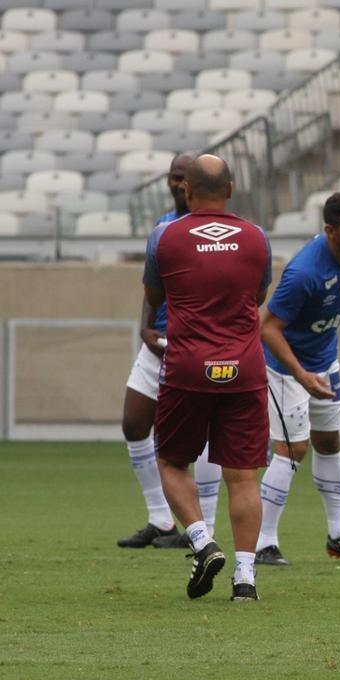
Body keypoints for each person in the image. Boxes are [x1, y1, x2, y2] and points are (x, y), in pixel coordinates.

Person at [143, 154, 273, 600]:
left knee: (171, 461)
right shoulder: (258, 238)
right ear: (232, 190)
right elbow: (258, 295)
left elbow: (155, 294)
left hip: (188, 368)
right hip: (244, 368)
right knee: (243, 477)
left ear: (186, 190)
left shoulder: (165, 237)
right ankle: (245, 580)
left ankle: (202, 540)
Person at [254, 191, 340, 566]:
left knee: (329, 442)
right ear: (329, 231)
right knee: (293, 449)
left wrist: (320, 363)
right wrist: (301, 374)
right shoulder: (304, 273)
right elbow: (269, 329)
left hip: (325, 362)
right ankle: (263, 543)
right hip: (286, 368)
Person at [118, 153, 223, 549]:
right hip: (157, 345)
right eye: (174, 177)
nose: (180, 184)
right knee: (133, 424)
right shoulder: (162, 227)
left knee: (199, 437)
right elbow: (151, 284)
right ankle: (161, 519)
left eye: (186, 178)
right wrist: (145, 325)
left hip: (195, 348)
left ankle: (203, 525)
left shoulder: (215, 229)